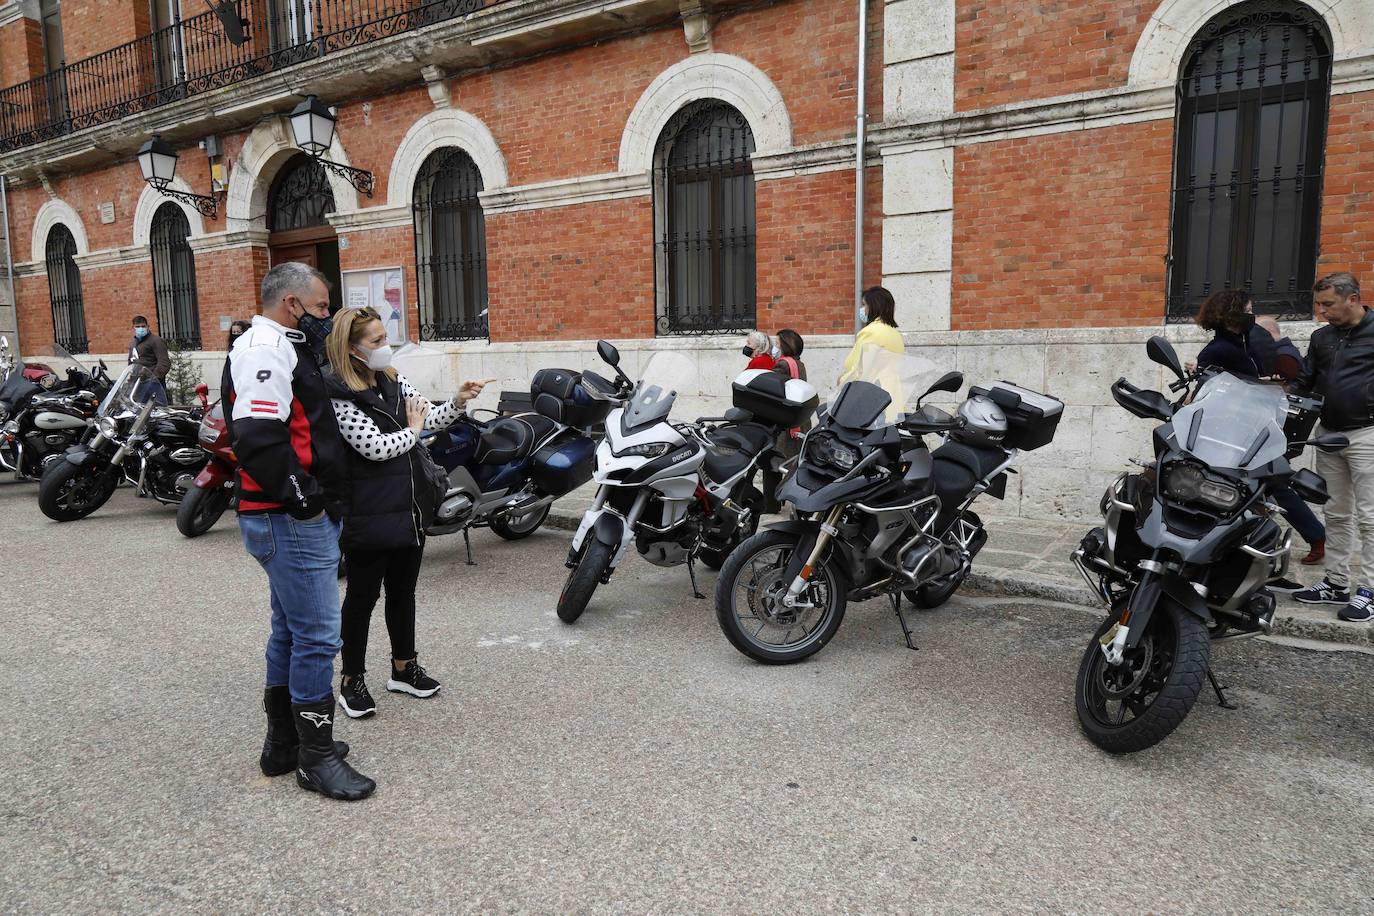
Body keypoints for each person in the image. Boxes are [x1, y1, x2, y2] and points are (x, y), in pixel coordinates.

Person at [224, 262, 375, 801]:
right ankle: (315, 758)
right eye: (319, 307)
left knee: (290, 629)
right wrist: (303, 497)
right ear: (291, 303)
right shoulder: (266, 347)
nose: (326, 317)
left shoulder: (284, 342)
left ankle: (285, 743)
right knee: (317, 635)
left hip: (287, 513)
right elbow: (258, 434)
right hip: (286, 516)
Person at [324, 306, 491, 719]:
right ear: (351, 348)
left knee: (403, 592)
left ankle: (404, 667)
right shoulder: (337, 393)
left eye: (386, 338)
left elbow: (428, 417)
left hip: (411, 506)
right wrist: (413, 431)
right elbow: (375, 448)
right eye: (377, 341)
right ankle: (352, 680)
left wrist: (457, 400)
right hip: (369, 511)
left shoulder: (393, 379)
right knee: (361, 598)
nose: (387, 348)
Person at [1291, 273, 1374, 621]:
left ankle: (1369, 592)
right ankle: (1336, 582)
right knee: (1336, 513)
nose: (1322, 311)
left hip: (1367, 434)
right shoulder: (1321, 336)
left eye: (1328, 304)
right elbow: (1305, 379)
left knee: (1370, 517)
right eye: (1319, 305)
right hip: (1328, 434)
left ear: (1352, 299)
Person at [1255, 315, 1326, 568]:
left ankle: (1316, 538)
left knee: (1277, 486)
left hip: (1280, 432)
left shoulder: (1285, 355)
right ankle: (1315, 537)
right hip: (1273, 430)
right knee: (1274, 487)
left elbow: (1291, 389)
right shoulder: (1280, 351)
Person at [1192, 290, 1261, 376]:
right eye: (1247, 311)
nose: (1252, 315)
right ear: (1231, 316)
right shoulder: (1215, 351)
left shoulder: (1244, 345)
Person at [842, 286, 904, 379]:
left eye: (864, 305)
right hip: (893, 388)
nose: (862, 309)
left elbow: (861, 369)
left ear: (874, 306)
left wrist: (843, 380)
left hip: (873, 389)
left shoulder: (871, 332)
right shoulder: (895, 333)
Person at [128, 315, 171, 405]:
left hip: (154, 384)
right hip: (138, 385)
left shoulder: (156, 341)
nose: (141, 328)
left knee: (157, 410)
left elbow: (164, 363)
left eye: (143, 326)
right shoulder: (133, 344)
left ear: (148, 326)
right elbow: (131, 363)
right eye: (137, 326)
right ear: (133, 328)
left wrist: (154, 378)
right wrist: (130, 380)